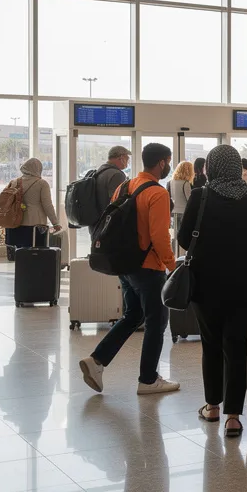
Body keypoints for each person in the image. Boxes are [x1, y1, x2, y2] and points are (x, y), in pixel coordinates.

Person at [178, 145, 247, 438]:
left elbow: (184, 238)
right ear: (237, 167)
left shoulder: (200, 196)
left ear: (211, 168)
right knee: (237, 347)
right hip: (245, 285)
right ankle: (233, 418)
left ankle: (212, 406)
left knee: (211, 345)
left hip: (206, 285)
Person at [79, 142, 179, 396]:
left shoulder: (125, 186)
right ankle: (148, 380)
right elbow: (159, 237)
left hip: (125, 265)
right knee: (156, 322)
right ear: (162, 162)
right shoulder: (157, 193)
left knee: (133, 315)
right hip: (149, 267)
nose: (168, 166)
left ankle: (97, 360)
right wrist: (172, 265)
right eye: (168, 162)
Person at [4, 157, 62, 254]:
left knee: (20, 254)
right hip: (35, 225)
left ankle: (21, 264)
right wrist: (55, 223)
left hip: (15, 223)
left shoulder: (14, 182)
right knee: (35, 254)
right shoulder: (42, 183)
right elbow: (47, 205)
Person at [95, 146, 131, 215]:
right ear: (121, 158)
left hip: (98, 217)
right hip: (108, 218)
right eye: (127, 159)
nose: (127, 162)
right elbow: (118, 202)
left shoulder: (101, 170)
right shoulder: (117, 175)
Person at [168, 161, 194, 253]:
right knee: (183, 234)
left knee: (174, 235)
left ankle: (174, 253)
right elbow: (189, 200)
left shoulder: (170, 182)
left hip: (173, 212)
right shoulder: (185, 183)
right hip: (183, 212)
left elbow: (168, 198)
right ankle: (181, 253)